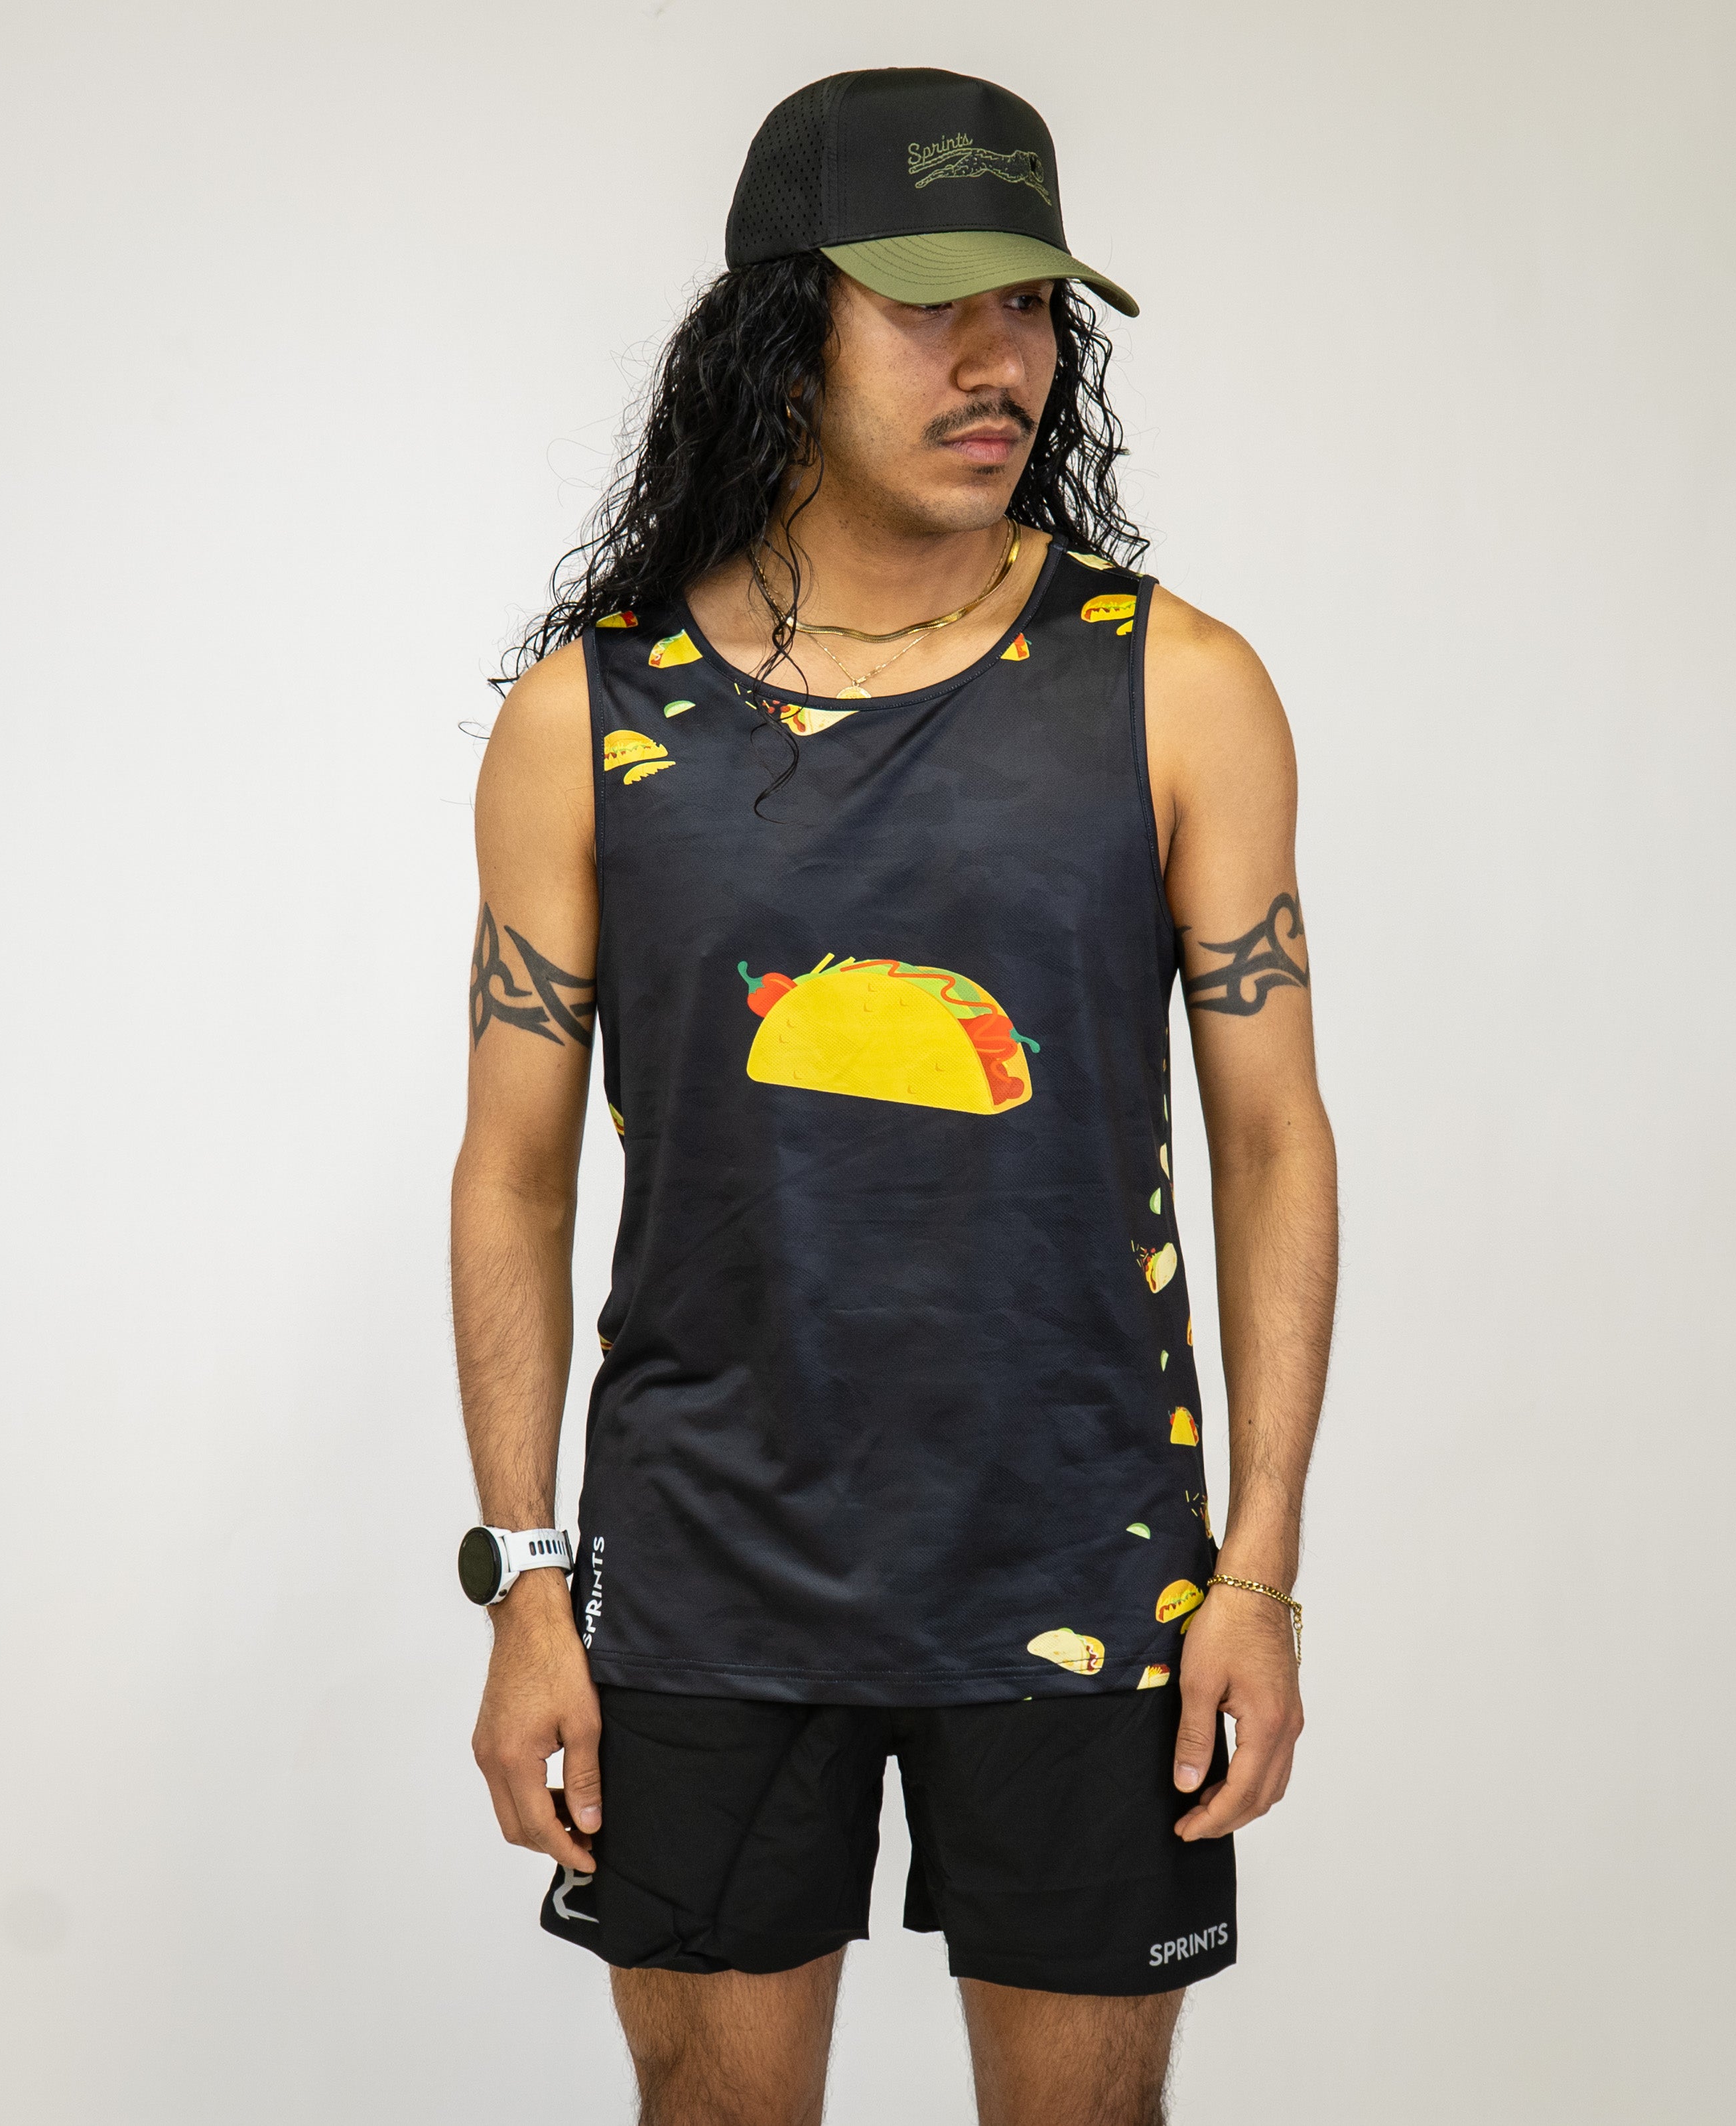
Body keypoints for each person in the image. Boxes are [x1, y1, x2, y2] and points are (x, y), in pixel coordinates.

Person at [451, 66, 1337, 2126]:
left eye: (1029, 305)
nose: (996, 357)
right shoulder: (590, 716)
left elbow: (1269, 1138)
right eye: (932, 304)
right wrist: (524, 1576)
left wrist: (1258, 1573)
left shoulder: (1174, 685)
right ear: (782, 327)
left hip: (1089, 1567)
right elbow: (513, 1176)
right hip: (702, 1578)